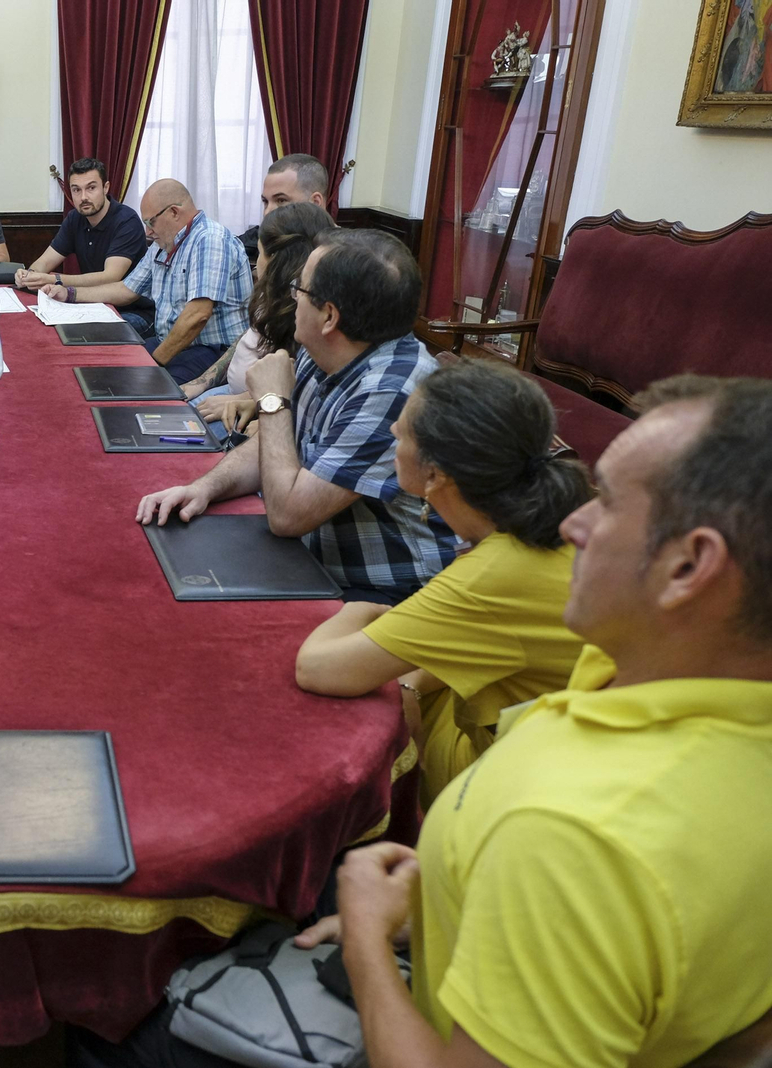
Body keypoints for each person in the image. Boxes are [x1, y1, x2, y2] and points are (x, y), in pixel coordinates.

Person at [325, 374, 772, 1068]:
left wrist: (364, 940)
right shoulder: (627, 670)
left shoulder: (575, 841)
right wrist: (458, 891)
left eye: (610, 504)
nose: (573, 524)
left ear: (689, 566)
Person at [295, 358, 594, 806]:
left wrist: (363, 608)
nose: (392, 435)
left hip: (517, 782)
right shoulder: (553, 520)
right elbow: (487, 635)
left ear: (434, 474)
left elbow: (318, 668)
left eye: (400, 434)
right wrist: (409, 679)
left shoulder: (496, 572)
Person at [136, 229, 460, 602]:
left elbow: (288, 516)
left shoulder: (393, 390)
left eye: (299, 289)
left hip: (387, 590)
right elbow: (273, 445)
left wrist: (272, 399)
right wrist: (203, 488)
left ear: (329, 316)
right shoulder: (327, 348)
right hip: (311, 555)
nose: (292, 297)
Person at [42, 179, 251, 384]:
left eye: (151, 222)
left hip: (214, 351)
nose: (148, 232)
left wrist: (153, 362)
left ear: (174, 212)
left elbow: (197, 316)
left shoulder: (209, 240)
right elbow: (126, 289)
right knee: (106, 367)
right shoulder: (163, 244)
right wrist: (70, 293)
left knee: (138, 385)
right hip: (172, 342)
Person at [178, 202, 335, 443]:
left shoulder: (303, 308)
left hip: (255, 406)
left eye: (259, 254)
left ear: (277, 261)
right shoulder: (271, 291)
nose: (255, 264)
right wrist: (202, 383)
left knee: (176, 441)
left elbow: (294, 383)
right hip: (237, 395)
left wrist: (248, 401)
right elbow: (249, 337)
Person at [12, 157, 154, 336]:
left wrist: (54, 279)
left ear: (106, 188)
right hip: (92, 306)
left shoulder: (126, 221)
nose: (83, 197)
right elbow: (45, 262)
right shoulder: (74, 219)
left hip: (133, 311)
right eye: (76, 190)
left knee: (80, 335)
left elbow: (111, 277)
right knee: (41, 329)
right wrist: (29, 275)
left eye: (91, 188)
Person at [241, 154, 332, 265]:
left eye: (281, 201)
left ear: (315, 202)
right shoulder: (262, 241)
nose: (267, 212)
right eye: (265, 202)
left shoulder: (345, 254)